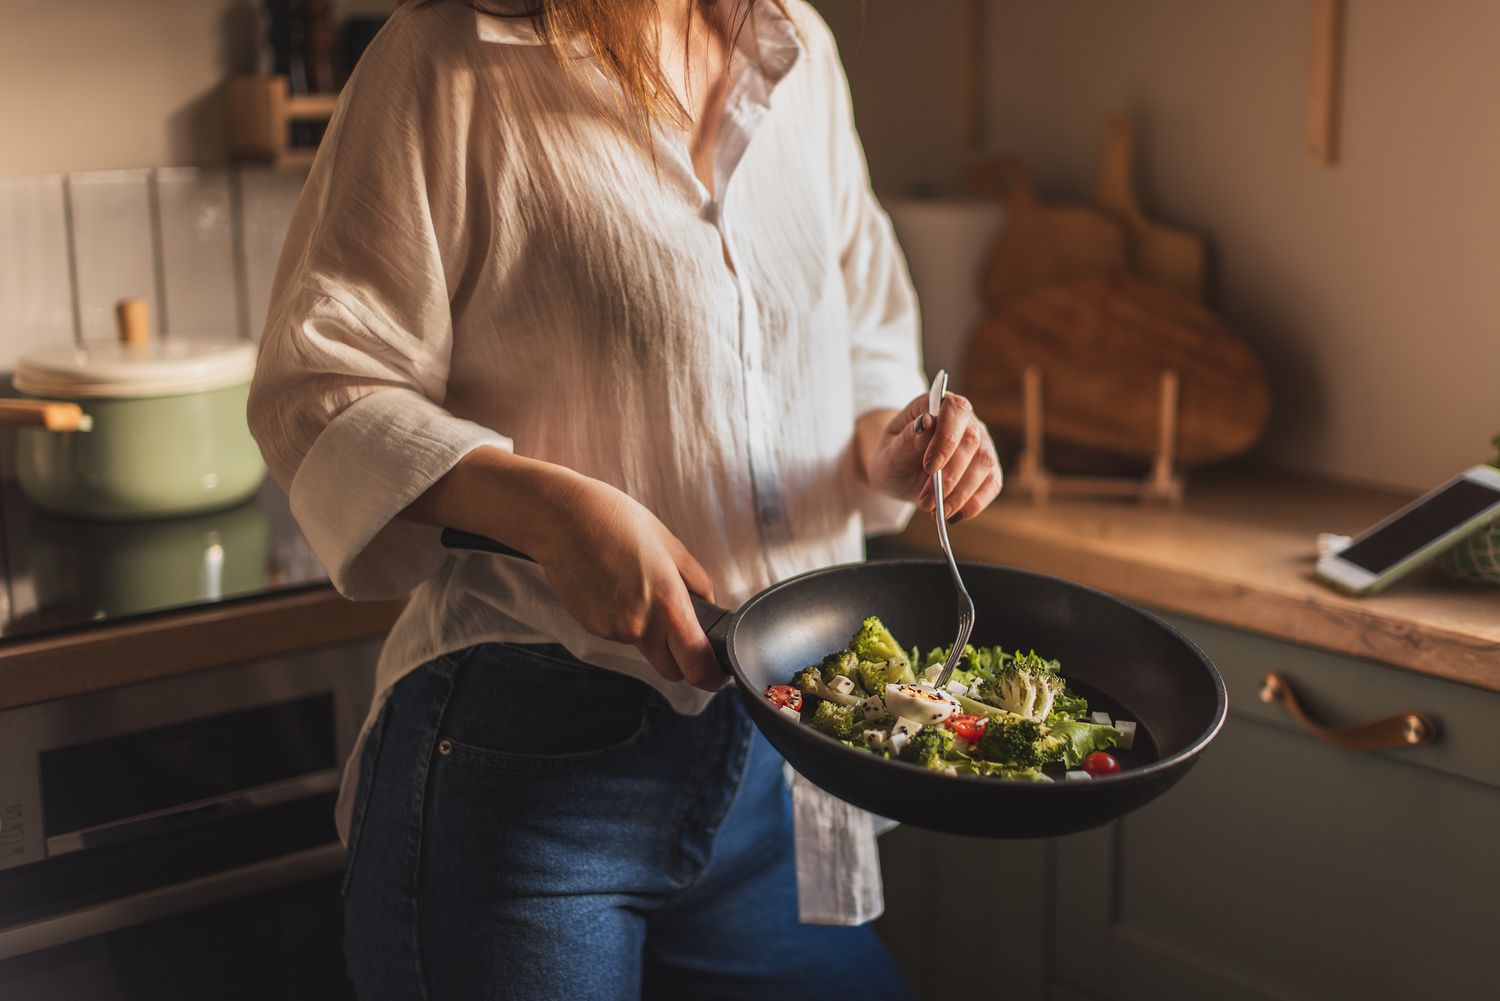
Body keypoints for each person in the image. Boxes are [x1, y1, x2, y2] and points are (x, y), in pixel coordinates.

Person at [247, 0, 1002, 998]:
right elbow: (318, 389)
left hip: (773, 765)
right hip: (529, 775)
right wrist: (553, 513)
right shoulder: (443, 63)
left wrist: (897, 445)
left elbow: (862, 337)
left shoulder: (799, 49)